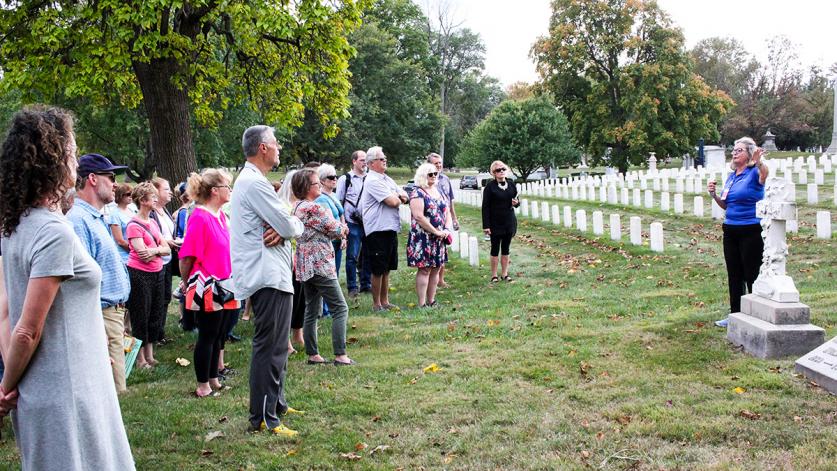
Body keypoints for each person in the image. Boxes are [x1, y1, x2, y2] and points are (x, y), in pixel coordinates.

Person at [0, 106, 135, 470]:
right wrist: (5, 388)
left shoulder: (15, 226)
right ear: (53, 160)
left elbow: (5, 314)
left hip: (57, 382)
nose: (75, 165)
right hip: (65, 391)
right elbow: (27, 329)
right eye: (72, 153)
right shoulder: (52, 231)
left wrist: (10, 384)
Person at [230, 125, 304, 437]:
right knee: (270, 347)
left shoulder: (253, 181)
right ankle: (263, 417)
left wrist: (288, 225)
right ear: (263, 148)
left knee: (277, 345)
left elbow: (287, 222)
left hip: (272, 273)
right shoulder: (254, 183)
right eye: (275, 144)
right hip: (266, 275)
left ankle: (277, 404)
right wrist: (289, 226)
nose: (279, 149)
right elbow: (289, 224)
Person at [66, 153, 132, 394]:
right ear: (92, 179)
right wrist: (96, 328)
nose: (115, 183)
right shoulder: (78, 220)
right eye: (110, 176)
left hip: (112, 314)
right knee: (110, 395)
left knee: (117, 396)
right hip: (100, 315)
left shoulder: (95, 217)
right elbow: (80, 281)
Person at [178, 169, 240, 397]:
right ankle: (202, 384)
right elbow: (186, 257)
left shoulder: (221, 216)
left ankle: (214, 378)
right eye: (227, 186)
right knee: (207, 334)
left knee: (220, 334)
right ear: (215, 191)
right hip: (207, 285)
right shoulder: (199, 217)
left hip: (226, 283)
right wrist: (187, 284)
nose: (230, 191)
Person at [292, 170, 354, 366]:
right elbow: (336, 229)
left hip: (304, 263)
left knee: (311, 307)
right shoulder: (314, 209)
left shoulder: (297, 207)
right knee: (340, 307)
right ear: (307, 188)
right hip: (319, 263)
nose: (319, 185)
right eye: (315, 183)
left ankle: (313, 354)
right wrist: (343, 229)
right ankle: (340, 355)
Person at [708, 137, 769, 327]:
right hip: (731, 229)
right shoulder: (732, 176)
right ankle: (735, 314)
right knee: (734, 273)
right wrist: (714, 195)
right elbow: (726, 204)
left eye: (739, 150)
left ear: (749, 154)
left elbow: (764, 175)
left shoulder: (753, 173)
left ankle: (754, 314)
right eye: (734, 150)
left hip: (750, 229)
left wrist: (759, 161)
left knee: (751, 273)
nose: (734, 153)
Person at [126, 182, 171, 369]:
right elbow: (141, 253)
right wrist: (158, 250)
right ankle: (140, 359)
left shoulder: (152, 222)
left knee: (155, 312)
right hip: (140, 275)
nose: (155, 199)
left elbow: (167, 249)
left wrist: (155, 251)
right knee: (140, 315)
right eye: (152, 197)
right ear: (143, 201)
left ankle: (150, 356)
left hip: (158, 273)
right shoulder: (133, 225)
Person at [358, 146, 409, 312]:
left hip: (389, 228)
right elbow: (392, 202)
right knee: (378, 269)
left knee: (387, 267)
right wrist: (398, 197)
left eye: (385, 157)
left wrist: (398, 196)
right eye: (381, 159)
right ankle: (376, 304)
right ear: (372, 163)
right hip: (377, 229)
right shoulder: (372, 180)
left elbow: (404, 195)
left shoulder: (386, 179)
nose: (385, 160)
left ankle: (385, 301)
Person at [407, 163, 452, 307]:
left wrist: (446, 229)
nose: (434, 176)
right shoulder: (417, 192)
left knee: (437, 268)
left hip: (439, 237)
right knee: (425, 269)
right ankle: (422, 303)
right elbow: (419, 217)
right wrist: (436, 231)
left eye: (435, 174)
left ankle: (432, 300)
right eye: (430, 174)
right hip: (423, 237)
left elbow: (447, 212)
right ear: (422, 176)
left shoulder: (439, 191)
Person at [336, 150, 372, 297]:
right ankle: (352, 287)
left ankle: (366, 284)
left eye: (366, 160)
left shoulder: (371, 178)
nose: (365, 163)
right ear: (354, 161)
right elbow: (339, 202)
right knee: (352, 256)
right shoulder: (345, 179)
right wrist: (342, 223)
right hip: (352, 223)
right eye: (362, 160)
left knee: (369, 255)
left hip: (369, 223)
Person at [276, 169, 305, 353]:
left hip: (303, 257)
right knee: (289, 299)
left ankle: (298, 333)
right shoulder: (282, 205)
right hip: (287, 258)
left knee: (301, 297)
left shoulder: (304, 204)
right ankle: (285, 340)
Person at [316, 163, 347, 317]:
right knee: (326, 275)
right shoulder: (321, 198)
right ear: (322, 180)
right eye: (331, 177)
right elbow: (327, 221)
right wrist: (339, 234)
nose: (334, 180)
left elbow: (341, 215)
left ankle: (329, 307)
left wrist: (343, 236)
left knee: (334, 274)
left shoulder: (333, 196)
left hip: (338, 238)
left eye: (336, 177)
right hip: (327, 241)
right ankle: (324, 310)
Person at [481, 160, 520, 283]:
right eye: (498, 170)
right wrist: (486, 225)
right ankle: (494, 275)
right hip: (495, 222)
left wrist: (517, 203)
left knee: (506, 248)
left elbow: (517, 200)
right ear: (493, 173)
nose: (501, 171)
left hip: (509, 221)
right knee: (495, 248)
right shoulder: (490, 187)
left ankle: (504, 273)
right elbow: (485, 207)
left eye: (503, 169)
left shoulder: (511, 184)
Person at [151, 177, 179, 339]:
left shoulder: (165, 211)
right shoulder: (152, 213)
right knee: (157, 299)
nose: (170, 192)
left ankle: (160, 332)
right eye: (166, 189)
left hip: (168, 260)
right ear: (156, 192)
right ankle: (154, 335)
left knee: (166, 297)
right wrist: (167, 243)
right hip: (157, 261)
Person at [427, 153, 458, 288]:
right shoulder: (425, 179)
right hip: (432, 218)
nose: (439, 165)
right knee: (431, 249)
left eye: (440, 163)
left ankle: (440, 280)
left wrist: (454, 218)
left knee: (443, 248)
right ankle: (429, 279)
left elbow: (450, 200)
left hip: (445, 217)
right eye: (435, 163)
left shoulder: (445, 178)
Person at [109, 183, 135, 263]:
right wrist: (136, 251)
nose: (131, 196)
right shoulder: (115, 214)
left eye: (132, 194)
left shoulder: (133, 210)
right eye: (128, 194)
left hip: (135, 256)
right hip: (125, 258)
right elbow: (120, 241)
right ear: (120, 196)